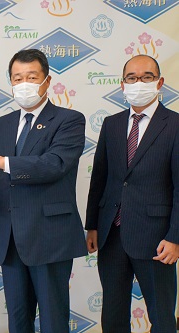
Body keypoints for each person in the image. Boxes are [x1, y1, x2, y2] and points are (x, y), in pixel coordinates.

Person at [0, 49, 87, 333]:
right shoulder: (1, 125)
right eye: (17, 78)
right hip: (10, 238)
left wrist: (1, 161)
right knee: (18, 320)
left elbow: (54, 164)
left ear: (47, 81)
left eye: (32, 77)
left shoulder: (69, 120)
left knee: (54, 319)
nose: (24, 84)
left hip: (49, 235)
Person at [85, 55, 179, 332]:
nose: (139, 83)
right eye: (132, 78)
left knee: (162, 317)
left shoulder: (174, 125)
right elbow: (99, 178)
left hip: (157, 239)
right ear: (122, 84)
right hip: (111, 234)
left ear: (159, 83)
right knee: (113, 317)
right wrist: (92, 225)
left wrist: (175, 237)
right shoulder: (111, 124)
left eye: (147, 77)